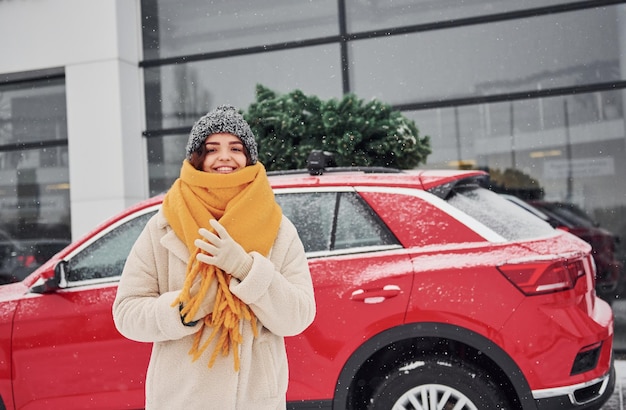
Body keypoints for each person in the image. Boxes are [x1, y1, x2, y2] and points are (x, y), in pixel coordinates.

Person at [112, 104, 316, 410]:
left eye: (236, 147)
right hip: (181, 401)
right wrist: (187, 308)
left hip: (254, 401)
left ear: (248, 157)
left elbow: (298, 317)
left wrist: (246, 269)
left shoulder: (277, 227)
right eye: (212, 148)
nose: (225, 157)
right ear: (198, 157)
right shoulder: (164, 224)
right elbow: (126, 313)